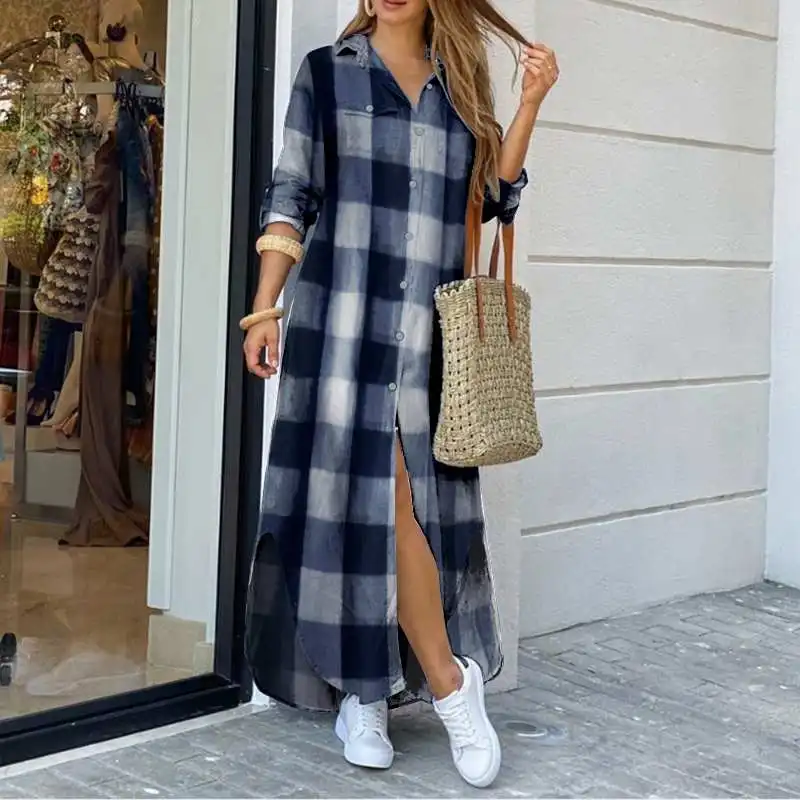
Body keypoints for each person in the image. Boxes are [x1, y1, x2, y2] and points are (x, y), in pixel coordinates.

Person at [242, 0, 558, 788]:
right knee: (368, 501)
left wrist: (529, 103)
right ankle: (426, 687)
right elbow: (291, 194)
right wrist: (264, 306)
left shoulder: (461, 84)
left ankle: (384, 688)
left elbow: (492, 199)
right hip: (340, 328)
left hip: (428, 342)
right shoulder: (326, 74)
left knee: (402, 506)